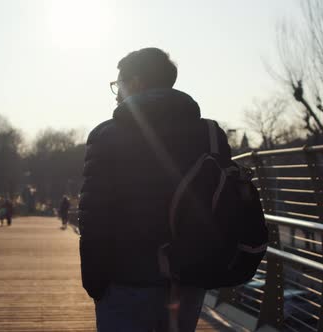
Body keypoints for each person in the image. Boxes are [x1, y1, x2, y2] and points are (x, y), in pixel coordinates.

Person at [78, 48, 232, 331]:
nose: (116, 92)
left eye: (119, 83)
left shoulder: (106, 136)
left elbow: (95, 213)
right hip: (188, 276)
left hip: (125, 277)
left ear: (135, 83)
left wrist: (94, 280)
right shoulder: (209, 134)